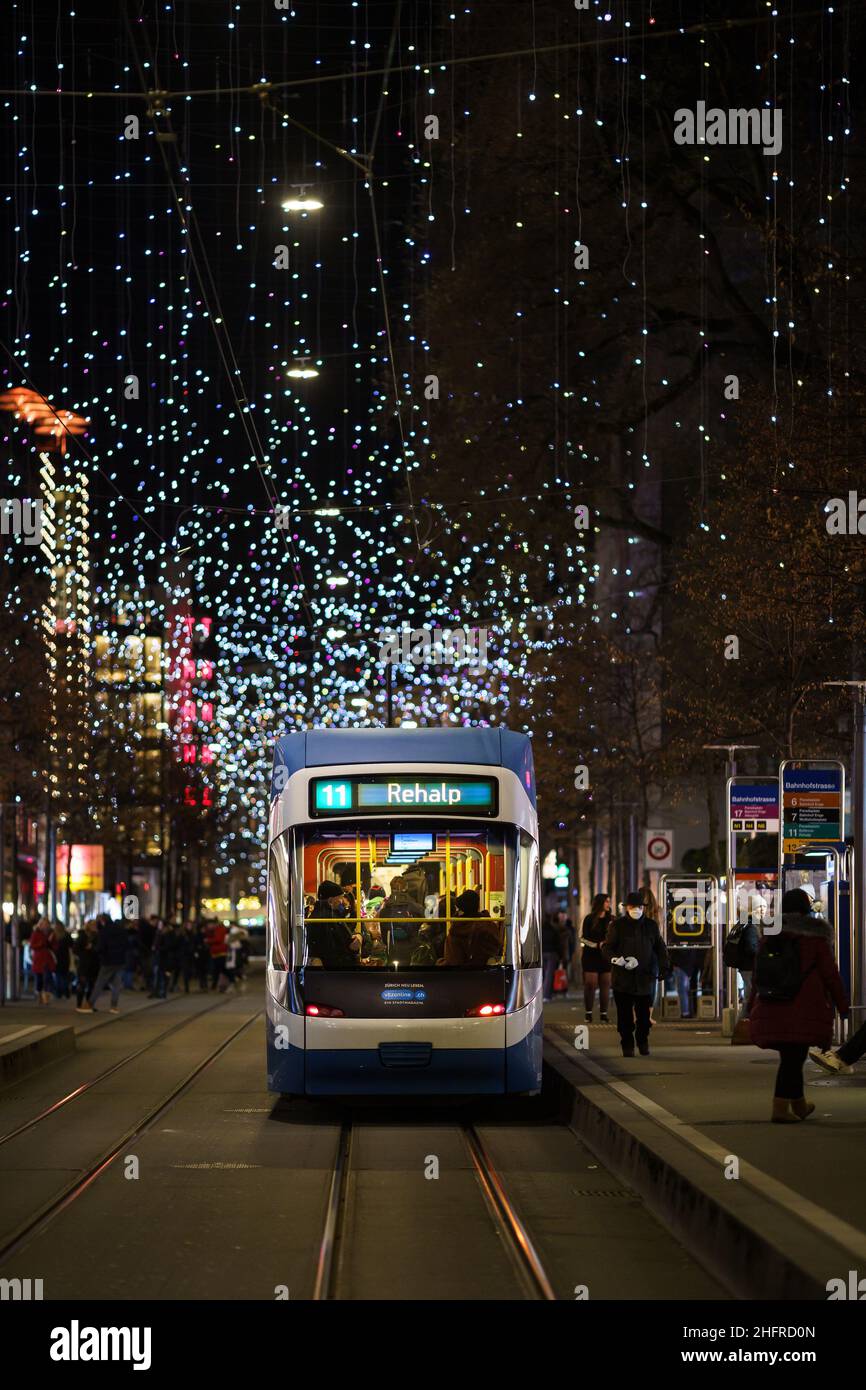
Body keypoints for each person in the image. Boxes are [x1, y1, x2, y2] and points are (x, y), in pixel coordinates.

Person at [748, 888, 848, 1122]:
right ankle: (780, 1109)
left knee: (791, 1057)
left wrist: (751, 1004)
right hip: (803, 1007)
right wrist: (842, 1005)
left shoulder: (770, 937)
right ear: (806, 910)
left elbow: (758, 975)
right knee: (793, 1059)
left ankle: (799, 1105)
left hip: (773, 1004)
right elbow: (830, 975)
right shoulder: (815, 940)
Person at [604, 890, 670, 1057]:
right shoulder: (617, 926)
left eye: (639, 906)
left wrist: (664, 967)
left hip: (644, 977)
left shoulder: (651, 926)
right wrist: (615, 959)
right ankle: (627, 1044)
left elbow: (660, 948)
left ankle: (642, 1040)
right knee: (624, 1016)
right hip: (622, 978)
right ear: (627, 908)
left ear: (643, 907)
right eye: (633, 906)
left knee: (643, 1017)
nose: (636, 910)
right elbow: (607, 947)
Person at [82, 913, 129, 1014]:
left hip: (108, 961)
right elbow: (126, 943)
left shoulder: (104, 931)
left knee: (100, 983)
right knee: (116, 984)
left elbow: (101, 947)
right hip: (120, 960)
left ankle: (89, 1004)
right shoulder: (120, 929)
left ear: (102, 921)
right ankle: (114, 1006)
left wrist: (93, 949)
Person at [306, 882, 360, 969]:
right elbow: (345, 944)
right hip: (338, 970)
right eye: (340, 898)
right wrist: (357, 939)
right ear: (331, 900)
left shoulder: (316, 915)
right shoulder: (330, 918)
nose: (341, 901)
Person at [443, 889, 502, 968]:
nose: (457, 912)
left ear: (463, 911)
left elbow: (453, 960)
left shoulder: (457, 930)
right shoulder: (489, 924)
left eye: (459, 909)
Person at [580, 893, 612, 1022]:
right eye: (606, 902)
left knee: (605, 984)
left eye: (609, 901)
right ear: (600, 903)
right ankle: (588, 1013)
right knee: (590, 984)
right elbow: (582, 937)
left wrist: (608, 945)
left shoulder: (611, 919)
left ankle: (604, 1014)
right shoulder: (588, 919)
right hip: (590, 955)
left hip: (605, 956)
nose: (608, 904)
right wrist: (596, 945)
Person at [29, 917, 56, 1006]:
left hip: (47, 959)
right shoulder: (36, 933)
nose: (45, 926)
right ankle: (40, 995)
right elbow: (32, 945)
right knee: (39, 979)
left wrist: (51, 941)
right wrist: (41, 943)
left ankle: (46, 997)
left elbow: (54, 946)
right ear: (40, 924)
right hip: (39, 958)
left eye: (47, 924)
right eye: (43, 924)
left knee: (47, 978)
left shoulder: (51, 933)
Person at [74, 920, 100, 1011]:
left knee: (92, 985)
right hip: (84, 964)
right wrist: (84, 952)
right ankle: (79, 1004)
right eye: (92, 925)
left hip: (94, 964)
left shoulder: (97, 936)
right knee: (82, 984)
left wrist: (92, 948)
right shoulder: (82, 936)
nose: (94, 927)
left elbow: (99, 949)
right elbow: (76, 949)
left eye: (95, 925)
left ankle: (89, 1004)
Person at [541, 912, 563, 1002]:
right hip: (551, 953)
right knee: (549, 975)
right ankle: (547, 995)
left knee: (542, 974)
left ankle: (542, 995)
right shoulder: (554, 930)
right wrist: (560, 955)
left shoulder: (540, 930)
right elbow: (558, 943)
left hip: (542, 953)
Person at [50, 920, 72, 1000]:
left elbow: (49, 945)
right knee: (64, 976)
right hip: (65, 958)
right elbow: (71, 945)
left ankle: (59, 992)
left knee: (58, 976)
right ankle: (65, 992)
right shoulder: (66, 935)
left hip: (57, 958)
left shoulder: (54, 935)